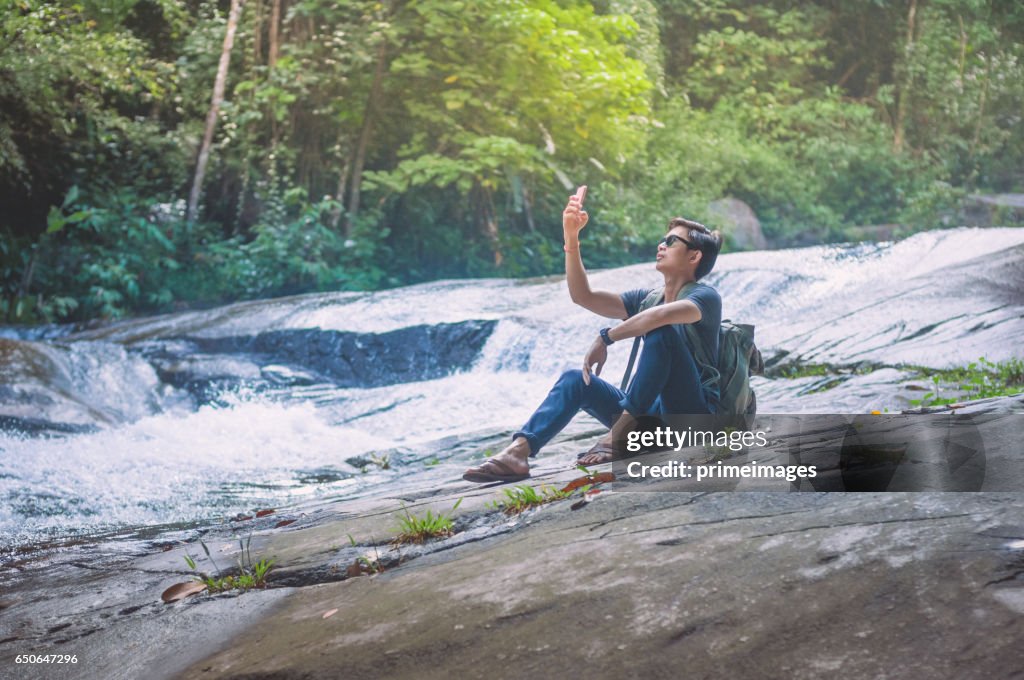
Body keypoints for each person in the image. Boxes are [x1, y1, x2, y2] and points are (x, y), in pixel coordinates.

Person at [462, 191, 723, 483]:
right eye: (662, 240)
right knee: (576, 379)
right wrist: (571, 239)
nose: (661, 245)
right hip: (650, 423)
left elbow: (659, 318)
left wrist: (606, 337)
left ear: (694, 256)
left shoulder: (706, 297)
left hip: (690, 418)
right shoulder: (648, 298)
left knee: (661, 333)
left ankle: (619, 436)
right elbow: (583, 296)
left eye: (671, 241)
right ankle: (517, 453)